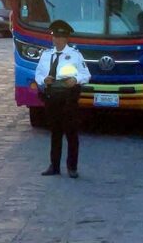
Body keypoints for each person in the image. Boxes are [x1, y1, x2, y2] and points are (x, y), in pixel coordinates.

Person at [35, 19, 91, 178]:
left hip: (68, 98)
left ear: (66, 38)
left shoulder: (75, 55)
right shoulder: (47, 55)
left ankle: (72, 167)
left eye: (59, 37)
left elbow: (86, 75)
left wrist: (76, 80)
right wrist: (43, 80)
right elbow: (38, 74)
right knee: (55, 132)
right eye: (54, 37)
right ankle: (54, 165)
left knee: (71, 133)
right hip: (52, 97)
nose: (56, 40)